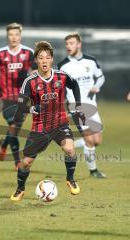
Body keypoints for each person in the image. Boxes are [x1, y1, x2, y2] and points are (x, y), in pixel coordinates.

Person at [10, 41, 85, 201]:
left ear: (52, 60)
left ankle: (70, 179)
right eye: (41, 58)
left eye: (47, 57)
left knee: (70, 149)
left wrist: (78, 106)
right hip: (40, 128)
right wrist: (31, 109)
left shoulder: (61, 76)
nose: (44, 61)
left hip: (60, 123)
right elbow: (21, 107)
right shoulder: (30, 82)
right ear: (36, 60)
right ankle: (20, 189)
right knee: (26, 163)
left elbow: (75, 85)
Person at [58, 33, 106, 178]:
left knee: (97, 140)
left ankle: (71, 142)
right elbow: (59, 88)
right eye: (67, 44)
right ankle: (93, 171)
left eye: (72, 43)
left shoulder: (91, 61)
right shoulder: (63, 66)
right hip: (76, 107)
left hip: (92, 105)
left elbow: (101, 76)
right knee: (90, 140)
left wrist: (97, 86)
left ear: (79, 44)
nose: (68, 46)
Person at [0, 22, 35, 169]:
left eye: (16, 34)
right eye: (11, 35)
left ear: (20, 36)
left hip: (23, 97)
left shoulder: (28, 53)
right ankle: (17, 162)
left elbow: (34, 71)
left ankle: (4, 144)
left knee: (15, 128)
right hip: (6, 96)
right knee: (13, 126)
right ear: (7, 36)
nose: (13, 37)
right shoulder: (0, 53)